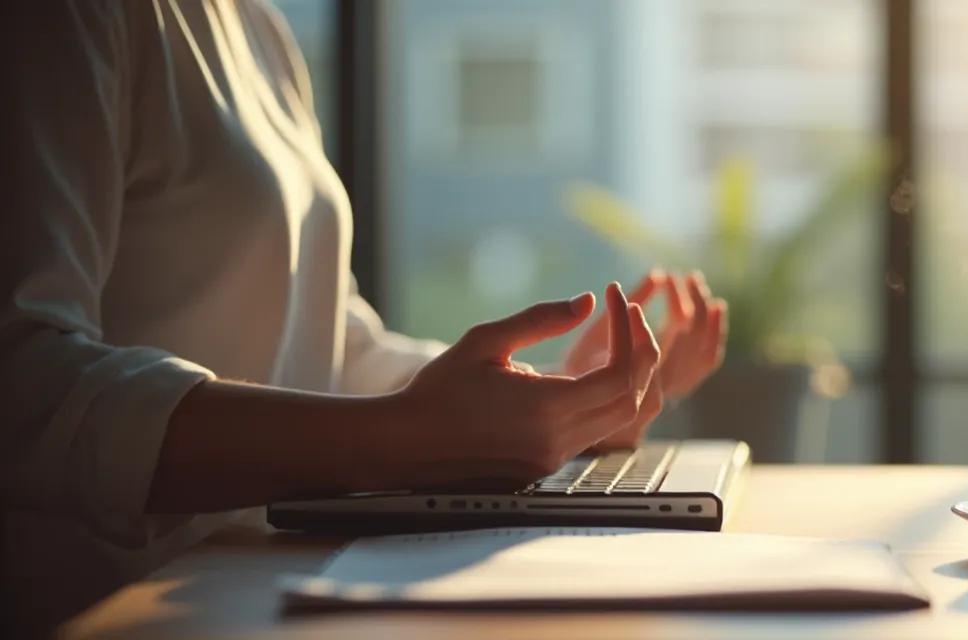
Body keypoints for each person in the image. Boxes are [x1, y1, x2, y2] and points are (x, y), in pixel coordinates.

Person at [0, 1, 727, 630]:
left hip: (257, 589)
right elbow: (22, 380)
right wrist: (405, 437)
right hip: (118, 611)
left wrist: (549, 401)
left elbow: (332, 339)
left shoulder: (259, 30)